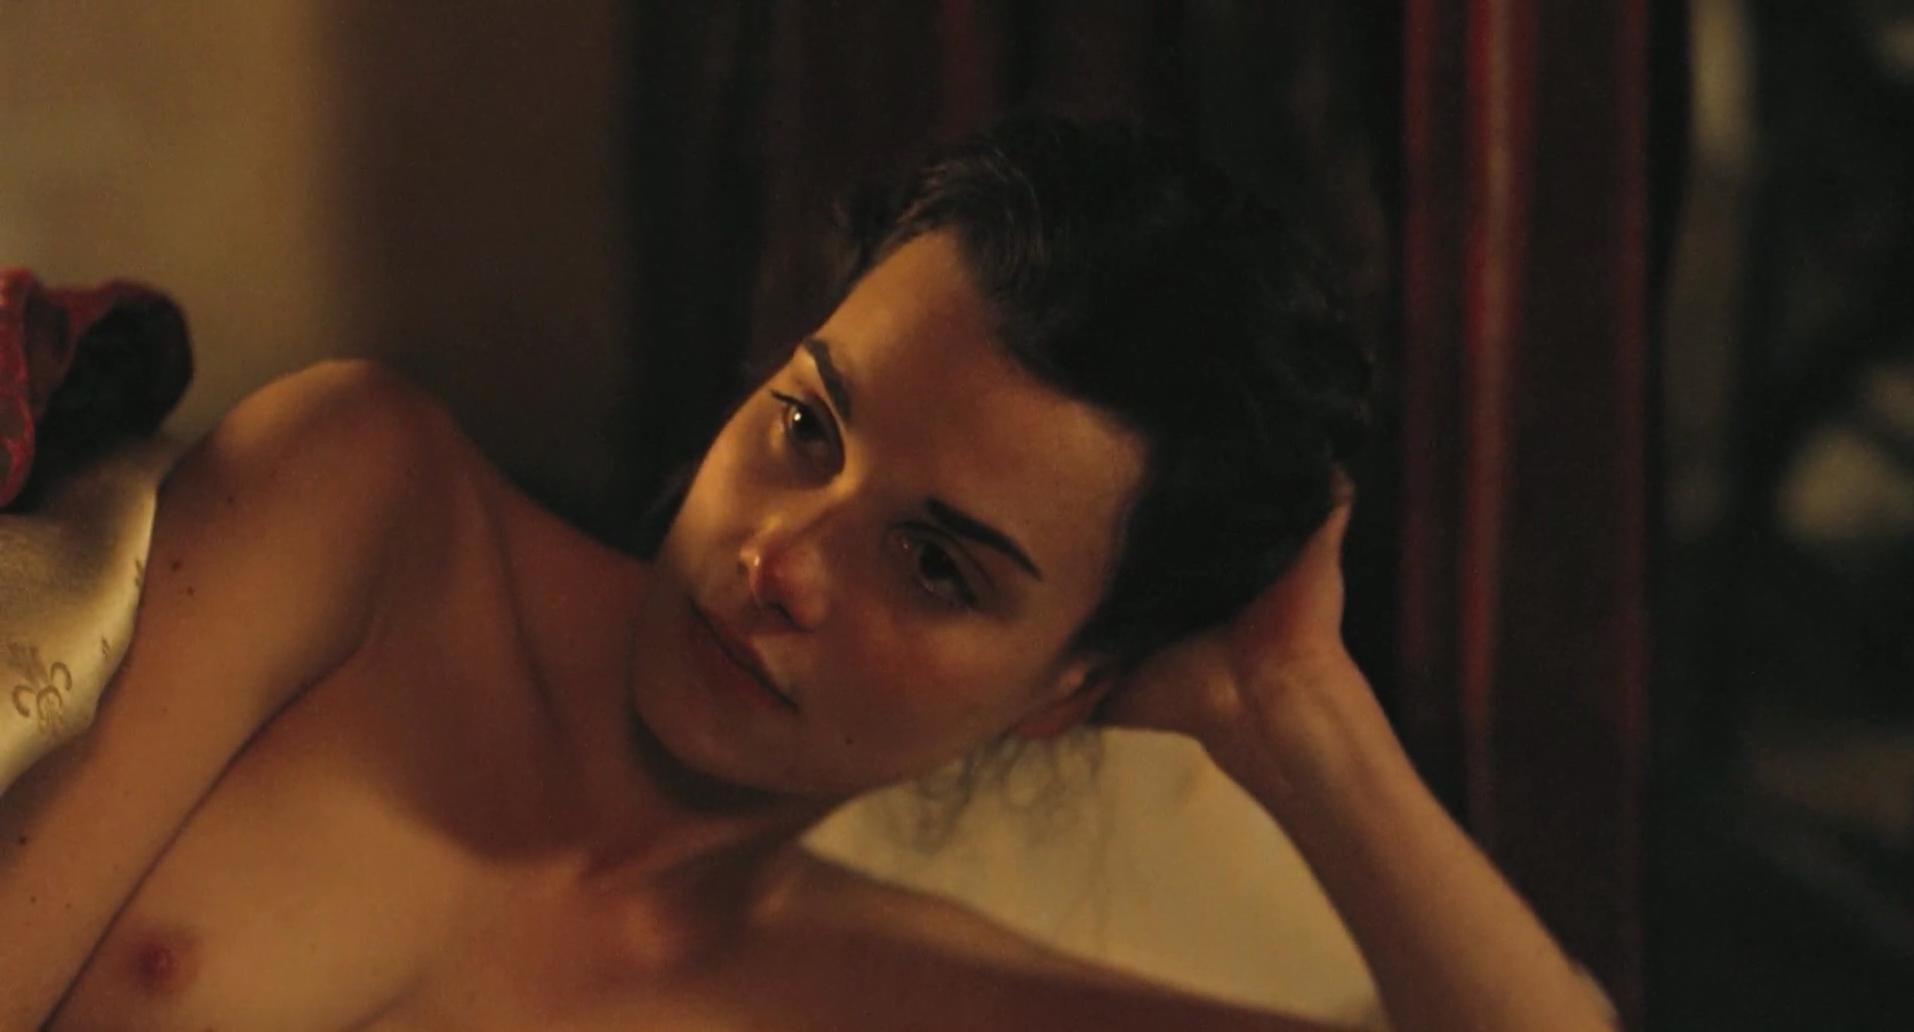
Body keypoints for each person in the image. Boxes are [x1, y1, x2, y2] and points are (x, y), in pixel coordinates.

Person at [0, 115, 1615, 1031]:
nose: (779, 558)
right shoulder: (371, 510)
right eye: (806, 426)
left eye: (934, 566)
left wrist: (1297, 711)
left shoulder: (888, 991)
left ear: (1065, 688)